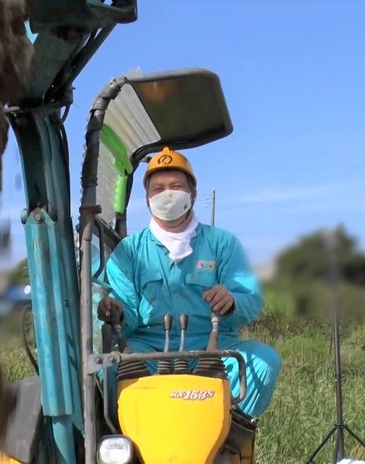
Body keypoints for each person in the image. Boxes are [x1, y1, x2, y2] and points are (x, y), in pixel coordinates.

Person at [97, 147, 280, 420]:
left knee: (265, 361)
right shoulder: (128, 252)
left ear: (192, 193)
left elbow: (251, 302)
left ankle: (226, 438)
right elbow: (129, 318)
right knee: (106, 371)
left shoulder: (223, 244)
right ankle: (127, 445)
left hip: (213, 350)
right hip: (148, 354)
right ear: (147, 199)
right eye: (158, 188)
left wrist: (231, 302)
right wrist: (118, 311)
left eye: (176, 186)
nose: (167, 194)